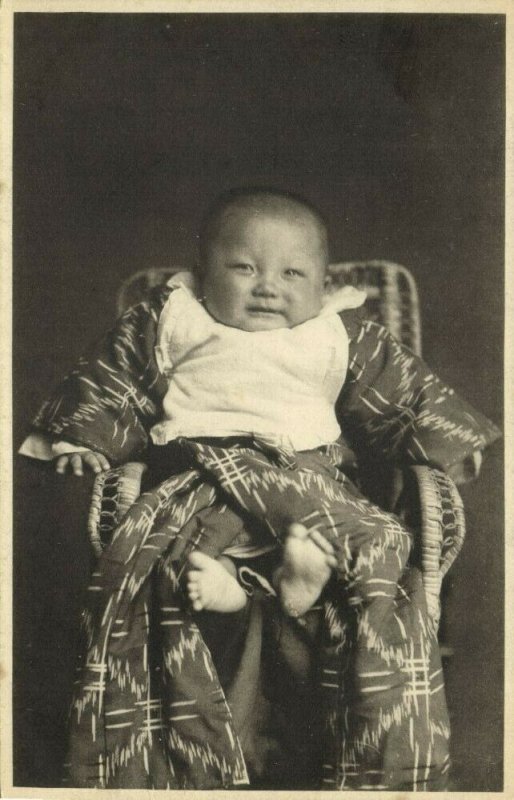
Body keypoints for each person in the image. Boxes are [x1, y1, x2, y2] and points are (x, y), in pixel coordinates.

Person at [20, 188, 500, 790]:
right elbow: (114, 378)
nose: (267, 286)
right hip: (202, 478)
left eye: (293, 272)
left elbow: (403, 391)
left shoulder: (338, 333)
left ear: (323, 286)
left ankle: (288, 586)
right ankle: (259, 591)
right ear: (202, 273)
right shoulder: (173, 320)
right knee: (170, 552)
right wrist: (85, 441)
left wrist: (450, 446)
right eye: (244, 267)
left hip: (311, 482)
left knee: (380, 541)